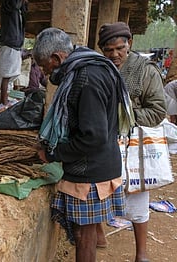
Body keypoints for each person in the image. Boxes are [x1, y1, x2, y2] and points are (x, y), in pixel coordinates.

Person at [33, 27, 131, 262]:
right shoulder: (89, 67)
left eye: (45, 66)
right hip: (98, 163)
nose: (46, 73)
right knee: (86, 232)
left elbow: (92, 137)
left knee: (84, 236)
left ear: (57, 58)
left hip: (90, 171)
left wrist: (53, 153)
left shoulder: (85, 78)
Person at [98, 21, 167, 262]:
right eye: (109, 50)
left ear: (130, 44)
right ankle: (99, 234)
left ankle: (141, 253)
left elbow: (158, 110)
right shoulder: (100, 68)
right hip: (105, 142)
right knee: (99, 190)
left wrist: (124, 118)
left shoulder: (145, 70)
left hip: (134, 144)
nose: (115, 54)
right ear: (102, 50)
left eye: (120, 48)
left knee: (137, 195)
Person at [0, 0, 27, 106]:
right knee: (7, 76)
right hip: (9, 45)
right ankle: (4, 102)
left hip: (14, 46)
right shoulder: (10, 6)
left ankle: (4, 100)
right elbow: (14, 5)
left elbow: (23, 9)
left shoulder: (18, 13)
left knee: (9, 76)